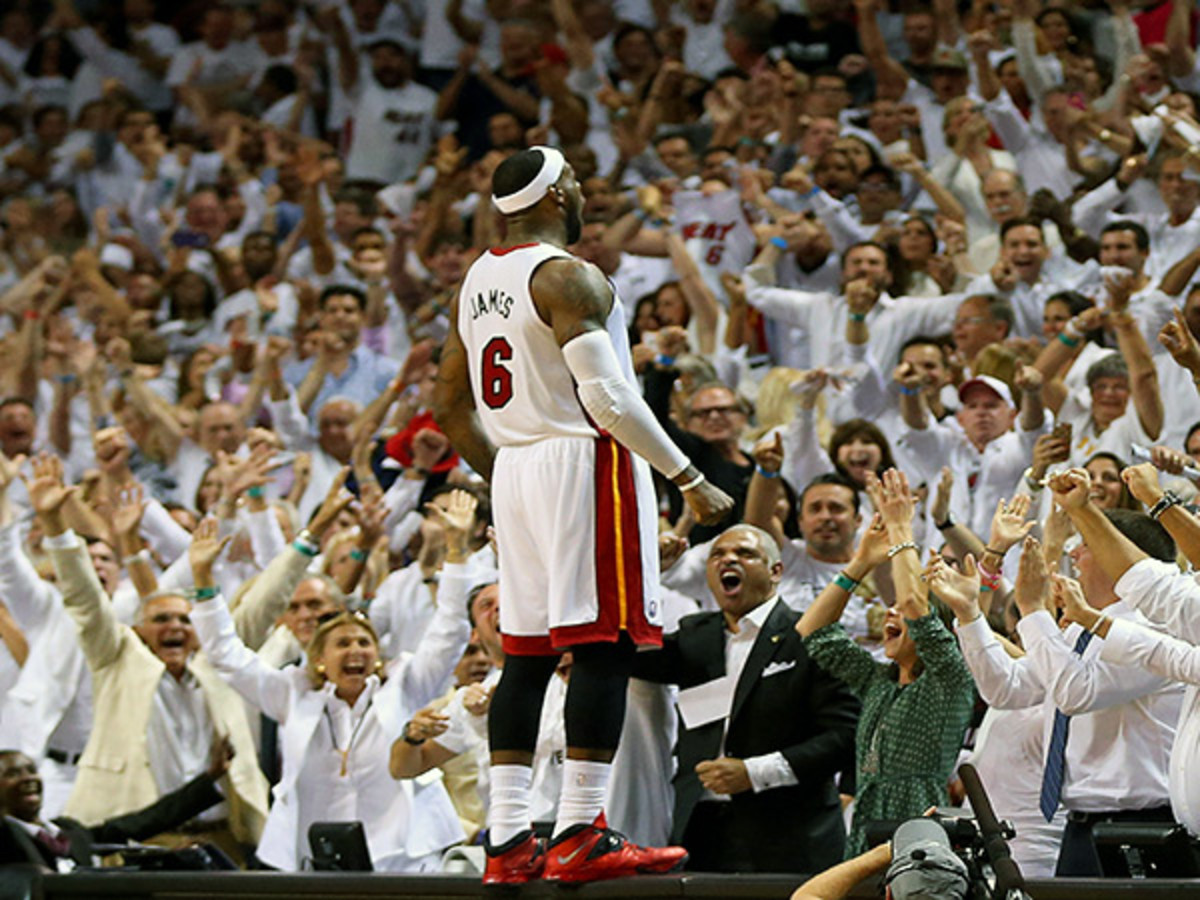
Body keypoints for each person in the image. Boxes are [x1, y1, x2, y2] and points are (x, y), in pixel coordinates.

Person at [433, 145, 733, 884]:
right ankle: (580, 831)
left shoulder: (476, 282)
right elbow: (606, 398)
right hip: (584, 461)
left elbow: (448, 405)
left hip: (515, 467)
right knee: (606, 645)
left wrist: (506, 472)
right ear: (560, 191)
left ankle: (505, 842)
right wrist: (688, 476)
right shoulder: (568, 275)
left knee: (528, 656)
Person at [188, 504, 470, 871]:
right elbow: (226, 655)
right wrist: (203, 578)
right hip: (315, 853)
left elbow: (450, 630)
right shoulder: (292, 692)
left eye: (363, 643)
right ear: (319, 658)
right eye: (343, 644)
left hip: (404, 854)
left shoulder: (405, 685)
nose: (355, 651)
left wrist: (457, 551)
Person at [633, 524, 859, 873]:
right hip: (700, 830)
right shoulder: (696, 635)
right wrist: (647, 570)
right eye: (718, 555)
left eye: (745, 553)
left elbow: (845, 737)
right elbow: (627, 655)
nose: (729, 560)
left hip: (792, 832)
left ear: (776, 571)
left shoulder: (810, 635)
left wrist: (755, 773)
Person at [797, 469, 975, 856]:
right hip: (866, 828)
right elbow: (811, 630)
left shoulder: (951, 678)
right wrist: (860, 562)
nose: (893, 612)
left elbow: (914, 605)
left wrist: (900, 530)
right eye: (888, 606)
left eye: (904, 610)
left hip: (921, 831)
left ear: (938, 626)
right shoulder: (878, 679)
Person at [0, 739, 231, 868]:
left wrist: (210, 777)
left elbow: (145, 821)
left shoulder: (71, 831)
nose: (28, 778)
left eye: (31, 770)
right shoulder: (7, 837)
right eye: (12, 773)